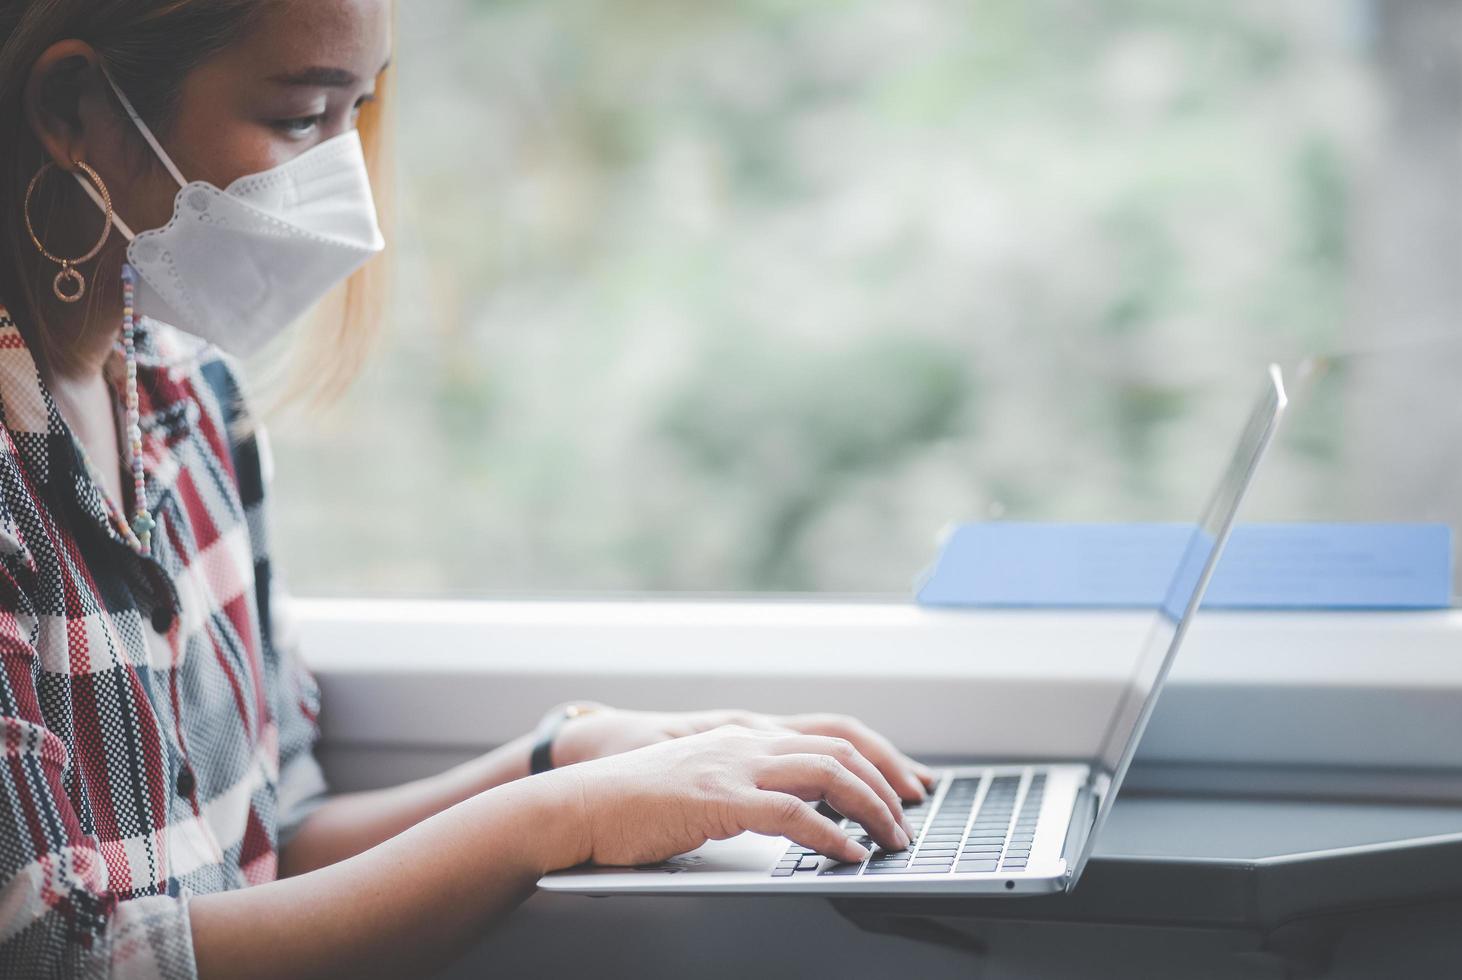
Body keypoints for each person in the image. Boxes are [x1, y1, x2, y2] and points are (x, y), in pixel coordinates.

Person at [0, 2, 930, 976]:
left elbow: (276, 843)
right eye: (299, 118)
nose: (341, 184)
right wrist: (562, 816)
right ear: (75, 107)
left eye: (354, 114)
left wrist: (565, 756)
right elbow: (62, 954)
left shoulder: (193, 398)